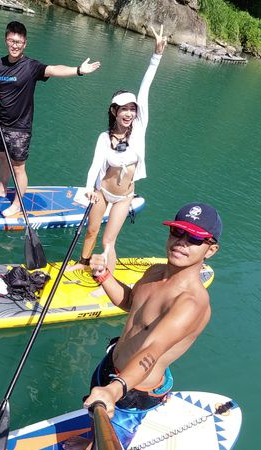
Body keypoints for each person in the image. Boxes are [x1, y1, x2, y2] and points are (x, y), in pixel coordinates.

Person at [80, 202, 222, 420]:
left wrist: (114, 390)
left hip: (132, 390)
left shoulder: (191, 303)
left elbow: (152, 350)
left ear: (210, 250)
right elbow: (129, 302)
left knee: (108, 445)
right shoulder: (154, 271)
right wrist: (103, 275)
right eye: (177, 231)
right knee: (93, 420)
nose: (181, 242)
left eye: (194, 238)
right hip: (111, 366)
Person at [69, 25, 166, 272]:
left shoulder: (140, 129)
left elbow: (144, 90)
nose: (129, 113)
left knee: (108, 240)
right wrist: (89, 189)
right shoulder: (105, 137)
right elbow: (94, 166)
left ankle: (107, 282)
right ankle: (83, 264)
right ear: (114, 111)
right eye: (124, 109)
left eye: (132, 109)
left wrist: (156, 55)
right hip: (103, 192)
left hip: (124, 197)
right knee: (91, 230)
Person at [0, 20, 101, 218]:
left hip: (20, 128)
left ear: (25, 43)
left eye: (19, 42)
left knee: (19, 168)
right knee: (2, 157)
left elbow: (54, 69)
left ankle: (18, 204)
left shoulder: (30, 66)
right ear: (6, 40)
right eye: (11, 41)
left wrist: (78, 70)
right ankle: (2, 189)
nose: (15, 45)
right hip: (1, 123)